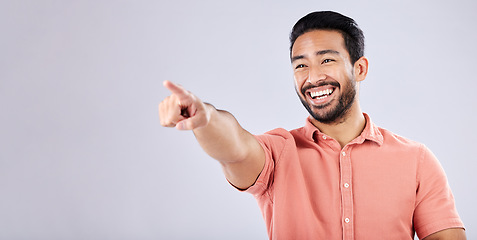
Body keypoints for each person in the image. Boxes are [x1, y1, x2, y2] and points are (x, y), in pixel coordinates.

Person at [159, 11, 466, 240]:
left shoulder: (417, 160)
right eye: (301, 65)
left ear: (359, 68)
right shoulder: (279, 151)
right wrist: (205, 118)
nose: (313, 76)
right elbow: (236, 149)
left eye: (327, 60)